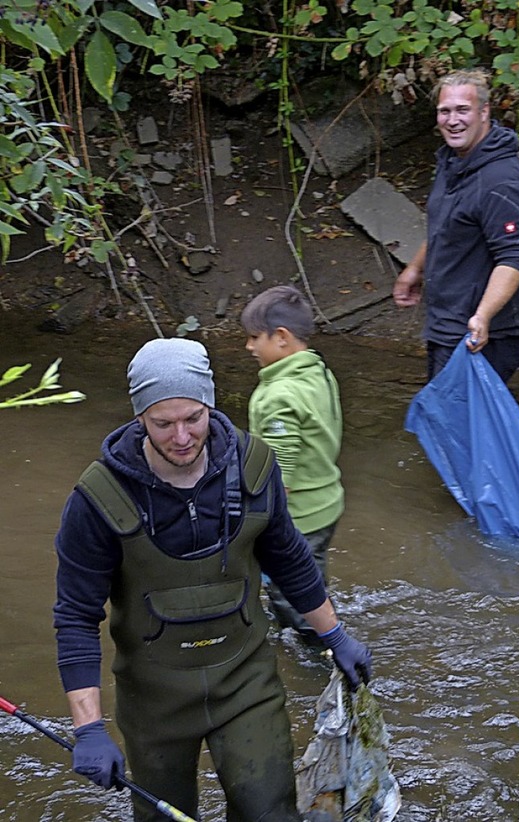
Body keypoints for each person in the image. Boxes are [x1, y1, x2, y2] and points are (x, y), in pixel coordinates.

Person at [53, 337, 372, 822]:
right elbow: (76, 617)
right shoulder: (98, 498)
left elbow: (288, 557)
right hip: (154, 700)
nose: (181, 436)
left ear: (210, 405)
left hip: (245, 685)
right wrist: (89, 729)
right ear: (140, 417)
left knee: (269, 813)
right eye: (163, 423)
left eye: (193, 418)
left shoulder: (255, 468)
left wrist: (335, 635)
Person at [393, 68, 519, 383]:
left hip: (482, 336)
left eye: (462, 110)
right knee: (446, 426)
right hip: (447, 323)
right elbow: (445, 224)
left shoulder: (502, 181)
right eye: (444, 111)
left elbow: (513, 259)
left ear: (484, 112)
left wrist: (483, 316)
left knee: (459, 430)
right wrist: (415, 269)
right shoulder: (453, 160)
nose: (452, 120)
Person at [241, 285, 344, 642]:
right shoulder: (319, 372)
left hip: (298, 517)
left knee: (295, 600)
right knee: (312, 582)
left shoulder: (278, 397)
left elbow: (277, 476)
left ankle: (322, 656)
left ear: (281, 338)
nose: (249, 347)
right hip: (326, 505)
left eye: (255, 337)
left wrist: (259, 525)